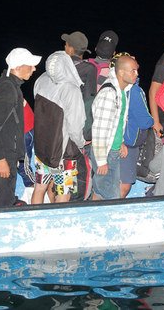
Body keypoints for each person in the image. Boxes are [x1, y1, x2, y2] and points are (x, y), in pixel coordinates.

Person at [0, 47, 41, 208]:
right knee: (2, 205)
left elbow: (8, 126)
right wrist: (2, 160)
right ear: (17, 67)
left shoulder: (9, 84)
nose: (34, 68)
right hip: (0, 160)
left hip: (6, 157)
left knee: (2, 202)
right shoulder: (8, 90)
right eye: (30, 65)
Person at [31, 51, 86, 204]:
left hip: (42, 149)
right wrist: (81, 143)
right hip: (63, 154)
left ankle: (35, 221)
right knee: (64, 192)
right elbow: (75, 125)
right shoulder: (71, 89)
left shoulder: (41, 80)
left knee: (40, 187)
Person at [90, 54, 139, 200]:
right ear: (121, 72)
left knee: (100, 193)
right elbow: (99, 130)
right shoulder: (109, 94)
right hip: (105, 153)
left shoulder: (122, 92)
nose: (136, 74)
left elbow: (116, 123)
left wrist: (121, 141)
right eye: (133, 71)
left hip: (113, 150)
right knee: (113, 198)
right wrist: (101, 161)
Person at [62, 30, 95, 200]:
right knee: (78, 171)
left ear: (70, 49)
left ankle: (62, 200)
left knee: (62, 174)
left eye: (66, 44)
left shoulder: (57, 69)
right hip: (76, 130)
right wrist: (87, 133)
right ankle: (74, 201)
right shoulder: (88, 69)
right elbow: (88, 102)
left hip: (57, 130)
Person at [119, 77, 154, 198]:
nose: (137, 73)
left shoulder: (109, 87)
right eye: (133, 69)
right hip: (127, 143)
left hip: (116, 142)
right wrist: (153, 121)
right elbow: (145, 121)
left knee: (106, 185)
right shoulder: (134, 91)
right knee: (124, 185)